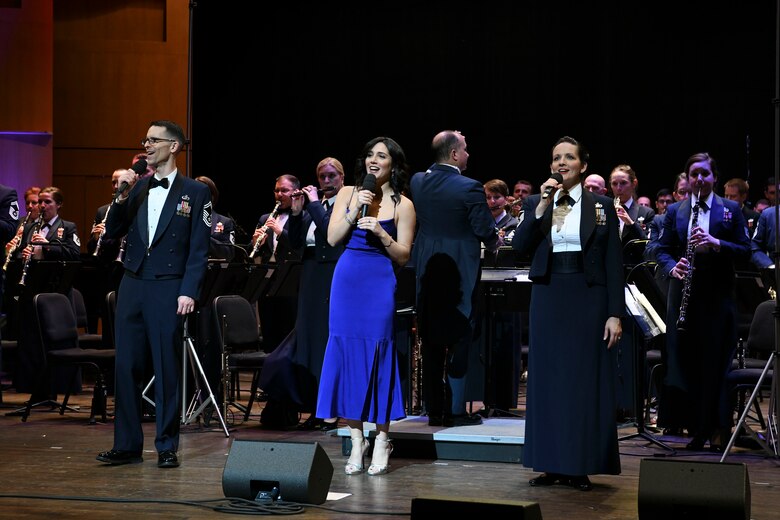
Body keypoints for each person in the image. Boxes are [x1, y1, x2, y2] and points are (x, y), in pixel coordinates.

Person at [96, 120, 212, 469]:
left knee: (166, 367)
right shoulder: (139, 187)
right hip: (133, 282)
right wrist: (121, 193)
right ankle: (127, 444)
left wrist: (188, 290)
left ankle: (166, 445)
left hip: (168, 286)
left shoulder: (195, 191)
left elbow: (198, 249)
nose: (146, 146)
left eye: (154, 140)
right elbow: (113, 231)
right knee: (126, 366)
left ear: (174, 146)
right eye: (144, 140)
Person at [512, 136, 623, 491]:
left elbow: (613, 262)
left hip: (588, 296)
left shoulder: (602, 205)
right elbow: (519, 246)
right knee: (547, 382)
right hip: (548, 295)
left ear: (583, 165)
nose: (562, 163)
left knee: (581, 382)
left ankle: (579, 464)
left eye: (569, 157)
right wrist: (542, 206)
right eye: (556, 158)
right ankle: (549, 463)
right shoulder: (537, 202)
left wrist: (614, 313)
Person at [315, 136, 415, 476]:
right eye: (370, 154)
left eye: (382, 156)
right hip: (348, 278)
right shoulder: (348, 192)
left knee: (378, 354)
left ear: (394, 164)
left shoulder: (404, 204)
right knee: (347, 356)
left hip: (378, 280)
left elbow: (404, 255)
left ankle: (382, 437)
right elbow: (332, 239)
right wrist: (355, 208)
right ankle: (357, 439)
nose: (374, 160)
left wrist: (383, 236)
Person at [654, 152, 750, 450]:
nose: (699, 179)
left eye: (705, 174)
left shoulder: (730, 209)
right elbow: (660, 247)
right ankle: (697, 427)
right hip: (688, 297)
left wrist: (716, 244)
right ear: (687, 177)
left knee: (718, 364)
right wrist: (672, 266)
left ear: (714, 178)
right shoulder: (677, 211)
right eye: (694, 173)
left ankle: (720, 428)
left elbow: (745, 250)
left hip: (719, 299)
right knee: (691, 364)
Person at [410, 130, 498, 428]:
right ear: (454, 155)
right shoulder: (469, 187)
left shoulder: (418, 182)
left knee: (431, 340)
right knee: (461, 338)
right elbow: (484, 230)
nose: (469, 154)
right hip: (459, 270)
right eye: (466, 148)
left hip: (426, 268)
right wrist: (496, 240)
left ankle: (434, 411)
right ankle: (456, 411)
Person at [286, 157, 345, 430]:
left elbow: (332, 234)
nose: (327, 181)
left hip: (332, 276)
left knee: (325, 342)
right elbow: (296, 243)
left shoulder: (345, 205)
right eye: (323, 177)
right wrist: (297, 213)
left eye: (332, 176)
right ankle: (314, 408)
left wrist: (310, 204)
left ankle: (330, 411)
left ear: (342, 178)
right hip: (310, 276)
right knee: (309, 343)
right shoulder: (314, 207)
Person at [195, 175, 237, 261]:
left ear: (212, 196)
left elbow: (230, 253)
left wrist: (205, 238)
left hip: (212, 271)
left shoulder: (225, 222)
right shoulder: (184, 219)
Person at [485, 178, 519, 243]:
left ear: (506, 200)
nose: (492, 201)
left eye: (497, 197)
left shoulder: (514, 224)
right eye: (488, 198)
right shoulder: (478, 223)